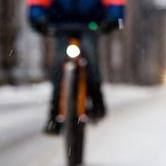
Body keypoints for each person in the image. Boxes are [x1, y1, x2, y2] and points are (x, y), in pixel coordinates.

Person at [27, 0, 125, 134]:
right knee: (58, 65)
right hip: (61, 24)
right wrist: (36, 16)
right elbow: (38, 1)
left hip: (90, 24)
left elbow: (114, 1)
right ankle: (55, 113)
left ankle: (97, 101)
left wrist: (114, 17)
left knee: (92, 61)